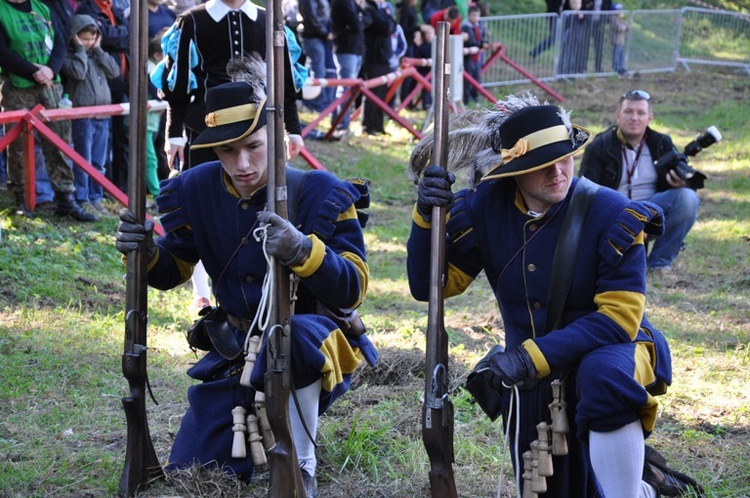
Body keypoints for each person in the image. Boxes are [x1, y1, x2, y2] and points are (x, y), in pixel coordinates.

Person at [407, 94, 704, 497]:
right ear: (513, 170)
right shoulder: (483, 208)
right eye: (541, 165)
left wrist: (531, 358)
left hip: (613, 346)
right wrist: (425, 219)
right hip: (528, 367)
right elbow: (433, 288)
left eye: (564, 157)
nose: (558, 172)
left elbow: (619, 320)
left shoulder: (613, 213)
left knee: (605, 378)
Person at [115, 55, 377, 498]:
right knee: (193, 465)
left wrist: (301, 249)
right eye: (227, 150)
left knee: (290, 340)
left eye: (253, 146)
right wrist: (143, 253)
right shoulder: (193, 189)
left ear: (278, 140)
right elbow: (170, 272)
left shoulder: (320, 192)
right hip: (238, 352)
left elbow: (352, 287)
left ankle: (301, 465)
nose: (242, 163)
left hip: (312, 342)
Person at [159, 0, 303, 171]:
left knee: (256, 195)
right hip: (204, 129)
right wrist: (173, 133)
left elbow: (284, 79)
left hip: (257, 131)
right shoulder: (192, 20)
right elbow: (178, 84)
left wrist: (292, 128)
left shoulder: (269, 20)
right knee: (204, 191)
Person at [580, 90, 701, 274]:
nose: (634, 118)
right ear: (618, 116)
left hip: (652, 212)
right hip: (615, 212)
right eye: (628, 112)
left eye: (640, 113)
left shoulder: (661, 142)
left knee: (688, 198)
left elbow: (682, 178)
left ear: (650, 117)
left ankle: (659, 264)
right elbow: (586, 192)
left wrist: (678, 183)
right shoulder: (600, 145)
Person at [0, 0, 98, 222]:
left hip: (50, 86)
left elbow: (60, 42)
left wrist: (51, 70)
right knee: (19, 148)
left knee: (60, 142)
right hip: (18, 87)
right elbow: (3, 52)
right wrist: (33, 71)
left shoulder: (41, 6)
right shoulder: (1, 10)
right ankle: (22, 200)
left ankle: (65, 198)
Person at [61, 14, 121, 215]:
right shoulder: (70, 57)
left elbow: (114, 72)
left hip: (102, 116)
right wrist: (80, 50)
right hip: (82, 117)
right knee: (83, 160)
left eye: (91, 39)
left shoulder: (98, 54)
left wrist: (98, 49)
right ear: (75, 37)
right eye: (84, 39)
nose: (88, 43)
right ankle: (83, 197)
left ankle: (97, 197)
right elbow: (77, 72)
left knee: (98, 161)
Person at [75, 0, 130, 194]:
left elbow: (128, 35)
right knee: (91, 150)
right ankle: (91, 192)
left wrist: (111, 38)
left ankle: (114, 189)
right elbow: (105, 36)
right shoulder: (87, 7)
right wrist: (117, 35)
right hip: (94, 93)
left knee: (121, 138)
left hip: (119, 82)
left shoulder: (115, 8)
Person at [360, 0, 396, 135]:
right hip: (373, 56)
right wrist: (388, 19)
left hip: (384, 57)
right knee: (372, 94)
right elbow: (387, 27)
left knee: (381, 94)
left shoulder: (381, 9)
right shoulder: (368, 8)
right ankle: (368, 125)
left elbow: (393, 25)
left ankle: (378, 125)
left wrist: (388, 19)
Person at [330, 0, 365, 132]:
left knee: (350, 90)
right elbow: (356, 24)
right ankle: (339, 125)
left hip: (356, 49)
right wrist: (359, 20)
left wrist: (360, 20)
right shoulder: (342, 2)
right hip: (345, 49)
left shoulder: (354, 3)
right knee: (345, 89)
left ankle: (342, 123)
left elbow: (366, 19)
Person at [460, 4, 489, 105]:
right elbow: (471, 41)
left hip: (476, 57)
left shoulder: (477, 26)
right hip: (468, 58)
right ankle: (466, 99)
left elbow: (479, 38)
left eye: (477, 15)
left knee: (476, 77)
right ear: (468, 15)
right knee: (468, 79)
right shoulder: (465, 27)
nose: (476, 18)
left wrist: (482, 43)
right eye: (473, 15)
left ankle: (475, 98)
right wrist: (481, 44)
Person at [610, 2, 628, 75]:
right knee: (616, 54)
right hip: (616, 40)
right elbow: (618, 27)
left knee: (620, 54)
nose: (620, 11)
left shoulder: (619, 18)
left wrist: (626, 27)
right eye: (619, 10)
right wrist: (624, 27)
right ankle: (616, 67)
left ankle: (621, 67)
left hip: (620, 40)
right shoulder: (613, 18)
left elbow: (625, 25)